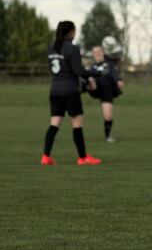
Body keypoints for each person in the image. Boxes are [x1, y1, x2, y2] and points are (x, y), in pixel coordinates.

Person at [42, 21, 101, 166]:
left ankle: (45, 156)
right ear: (71, 32)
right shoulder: (72, 48)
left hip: (54, 90)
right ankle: (82, 158)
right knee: (77, 124)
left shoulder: (51, 48)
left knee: (54, 123)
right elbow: (79, 71)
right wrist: (96, 73)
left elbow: (53, 69)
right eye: (74, 31)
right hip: (69, 91)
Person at [87, 45, 123, 143]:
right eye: (95, 52)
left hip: (106, 91)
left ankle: (108, 136)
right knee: (89, 79)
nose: (97, 53)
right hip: (95, 90)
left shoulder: (109, 64)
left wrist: (118, 81)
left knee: (108, 116)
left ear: (103, 52)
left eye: (99, 51)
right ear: (93, 55)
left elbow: (114, 74)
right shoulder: (93, 67)